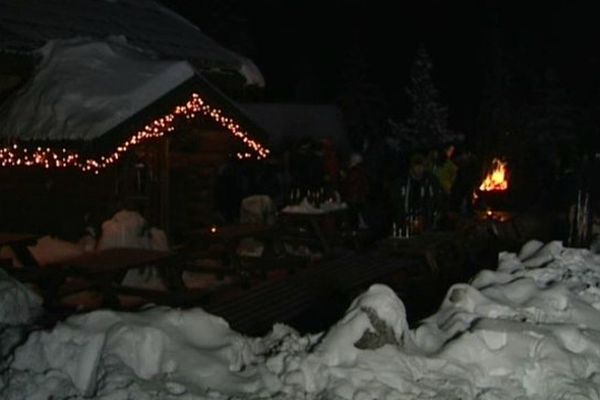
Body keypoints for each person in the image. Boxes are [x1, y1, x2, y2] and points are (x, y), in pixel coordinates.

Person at [390, 153, 443, 235]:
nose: (419, 168)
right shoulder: (403, 182)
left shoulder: (430, 180)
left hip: (426, 219)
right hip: (407, 219)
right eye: (416, 165)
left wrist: (434, 213)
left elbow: (436, 197)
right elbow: (397, 200)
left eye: (421, 165)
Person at [340, 153, 370, 229]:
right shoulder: (361, 171)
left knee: (353, 214)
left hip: (353, 196)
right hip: (358, 196)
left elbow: (349, 184)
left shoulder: (354, 172)